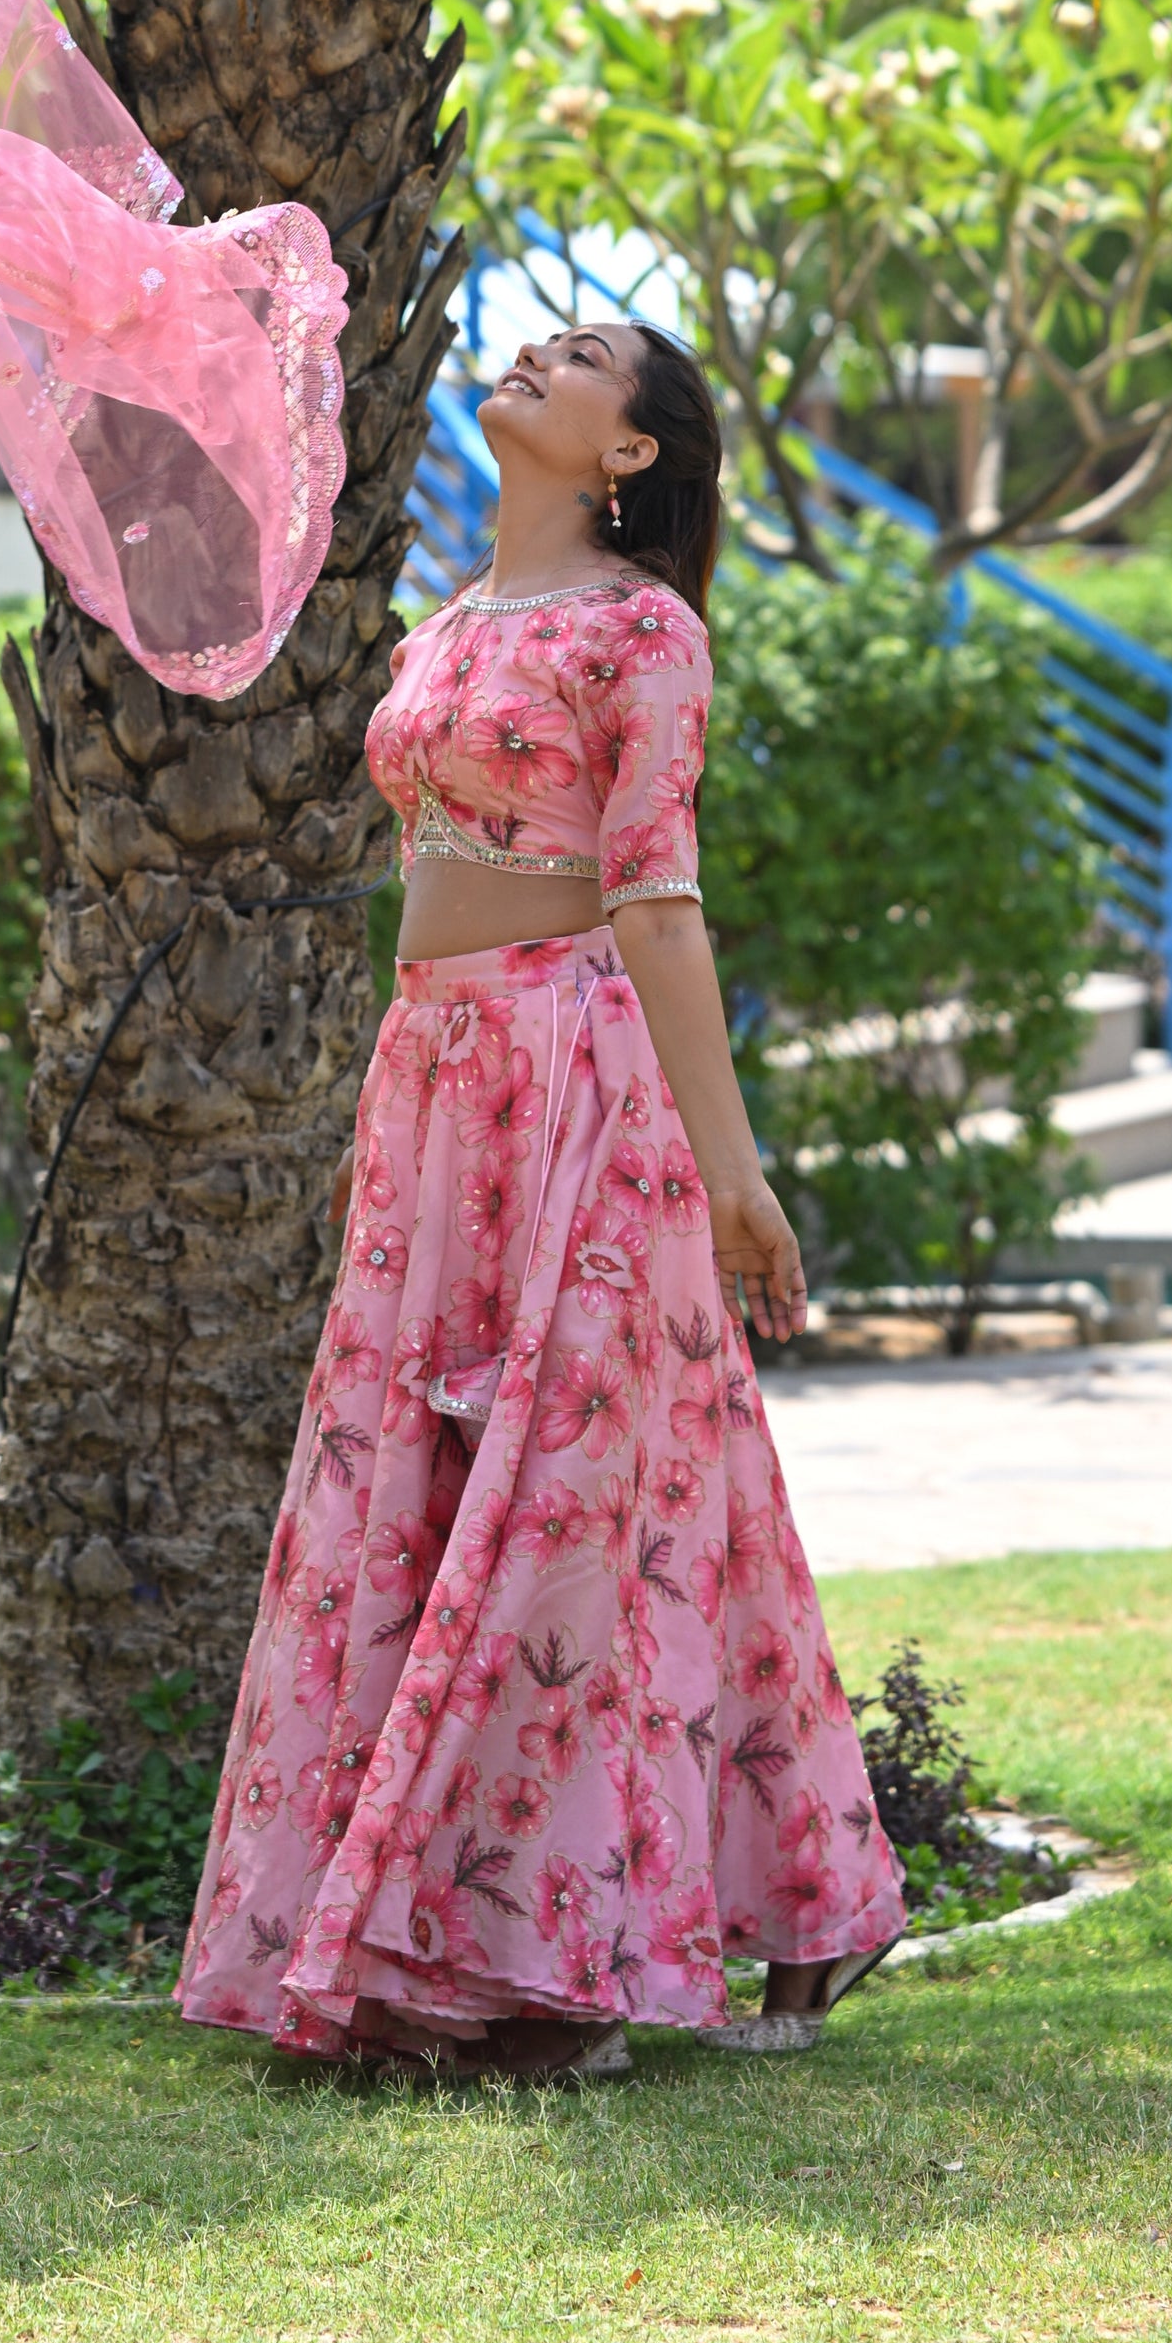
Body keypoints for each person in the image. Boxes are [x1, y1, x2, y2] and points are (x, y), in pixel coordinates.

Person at [174, 310, 906, 2077]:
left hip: (578, 1079)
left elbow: (655, 901)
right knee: (442, 1477)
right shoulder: (453, 617)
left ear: (631, 451)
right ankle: (688, 1908)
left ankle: (551, 1963)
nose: (532, 355)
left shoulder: (646, 632)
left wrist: (734, 1180)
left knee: (578, 1496)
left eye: (580, 356)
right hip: (434, 1082)